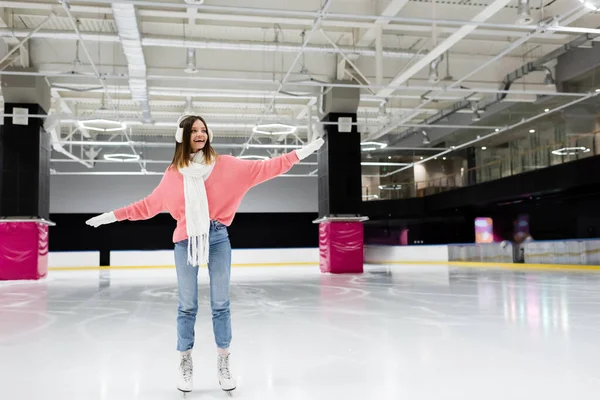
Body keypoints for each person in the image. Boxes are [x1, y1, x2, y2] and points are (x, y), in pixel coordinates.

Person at [85, 114, 323, 394]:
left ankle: (224, 363)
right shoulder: (173, 175)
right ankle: (185, 363)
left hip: (218, 237)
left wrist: (299, 153)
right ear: (182, 136)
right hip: (186, 241)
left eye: (203, 129)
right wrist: (113, 216)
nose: (200, 134)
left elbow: (266, 168)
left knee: (221, 304)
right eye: (193, 130)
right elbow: (147, 206)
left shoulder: (228, 166)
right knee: (187, 306)